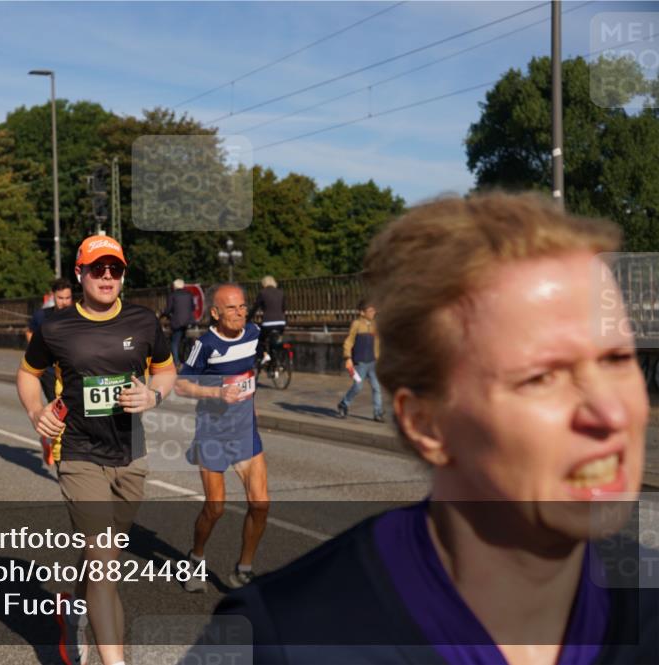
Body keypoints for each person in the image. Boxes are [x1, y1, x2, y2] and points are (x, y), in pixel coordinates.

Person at [195, 193, 656, 663]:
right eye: (542, 377)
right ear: (426, 424)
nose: (611, 413)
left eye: (618, 359)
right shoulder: (279, 641)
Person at [17, 234, 176, 665]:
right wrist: (36, 413)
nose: (107, 276)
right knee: (105, 564)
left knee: (102, 555)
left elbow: (166, 371)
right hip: (79, 452)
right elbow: (27, 374)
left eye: (115, 268)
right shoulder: (56, 328)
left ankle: (74, 608)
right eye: (97, 268)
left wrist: (154, 396)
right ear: (80, 272)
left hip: (131, 455)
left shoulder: (144, 322)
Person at [175, 283, 269, 592]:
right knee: (215, 508)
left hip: (244, 432)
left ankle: (244, 569)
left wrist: (251, 405)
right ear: (215, 313)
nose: (239, 313)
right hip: (213, 433)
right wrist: (217, 392)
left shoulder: (254, 333)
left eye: (242, 306)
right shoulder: (206, 344)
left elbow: (248, 373)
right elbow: (181, 386)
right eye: (231, 308)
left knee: (260, 504)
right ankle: (195, 558)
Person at [27, 277, 74, 401]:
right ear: (53, 296)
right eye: (60, 298)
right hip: (50, 370)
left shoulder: (78, 315)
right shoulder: (41, 316)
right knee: (56, 403)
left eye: (68, 298)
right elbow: (30, 332)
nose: (64, 302)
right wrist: (38, 353)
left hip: (71, 369)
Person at [336, 299, 383, 422]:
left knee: (377, 388)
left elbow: (377, 343)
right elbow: (349, 341)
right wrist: (348, 358)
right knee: (358, 386)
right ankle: (344, 404)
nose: (373, 312)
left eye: (374, 310)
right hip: (358, 364)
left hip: (372, 363)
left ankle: (378, 413)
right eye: (370, 310)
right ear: (362, 312)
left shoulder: (375, 325)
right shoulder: (356, 324)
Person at [249, 275, 286, 367]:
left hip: (268, 323)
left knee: (260, 339)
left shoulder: (262, 293)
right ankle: (277, 359)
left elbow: (255, 307)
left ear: (263, 284)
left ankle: (265, 355)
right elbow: (284, 308)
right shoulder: (281, 292)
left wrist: (248, 318)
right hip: (281, 322)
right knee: (276, 339)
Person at [162, 278, 196, 366]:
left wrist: (164, 314)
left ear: (174, 286)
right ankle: (190, 359)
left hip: (177, 322)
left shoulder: (172, 295)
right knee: (187, 340)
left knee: (175, 342)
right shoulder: (189, 294)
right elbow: (193, 307)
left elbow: (168, 310)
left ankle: (177, 362)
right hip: (189, 321)